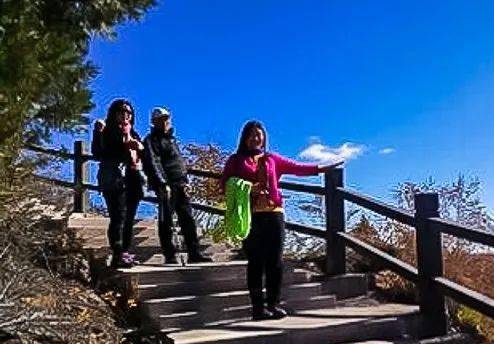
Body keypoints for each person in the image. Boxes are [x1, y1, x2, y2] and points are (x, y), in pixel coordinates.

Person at [220, 120, 342, 320]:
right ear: (244, 138)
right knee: (255, 262)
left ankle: (274, 304)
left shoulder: (272, 159)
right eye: (251, 135)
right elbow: (225, 184)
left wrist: (324, 168)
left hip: (274, 213)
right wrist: (249, 188)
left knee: (275, 261)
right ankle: (257, 308)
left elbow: (298, 168)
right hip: (251, 215)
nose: (255, 138)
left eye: (259, 135)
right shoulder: (235, 160)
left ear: (264, 138)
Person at [142, 107, 212, 264]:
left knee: (187, 219)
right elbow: (153, 163)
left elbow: (179, 163)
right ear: (154, 122)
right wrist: (162, 183)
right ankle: (170, 254)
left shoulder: (171, 140)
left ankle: (194, 252)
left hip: (180, 184)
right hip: (166, 185)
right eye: (161, 119)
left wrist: (186, 181)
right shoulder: (150, 140)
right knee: (166, 220)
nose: (165, 122)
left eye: (167, 118)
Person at [92, 99, 146, 268]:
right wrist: (99, 134)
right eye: (121, 112)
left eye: (128, 112)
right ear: (114, 113)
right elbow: (98, 153)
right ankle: (117, 253)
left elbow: (143, 154)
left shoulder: (134, 133)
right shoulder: (106, 131)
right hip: (113, 178)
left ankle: (125, 252)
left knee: (129, 218)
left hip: (132, 178)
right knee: (118, 216)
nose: (125, 115)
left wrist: (139, 147)